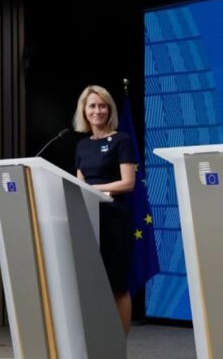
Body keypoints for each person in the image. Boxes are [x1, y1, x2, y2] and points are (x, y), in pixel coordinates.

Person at [73, 85, 136, 334]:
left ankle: (119, 346)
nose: (97, 110)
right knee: (92, 285)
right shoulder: (82, 146)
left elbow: (128, 182)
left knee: (117, 285)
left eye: (102, 105)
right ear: (84, 111)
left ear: (109, 110)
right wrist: (84, 190)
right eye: (92, 106)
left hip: (115, 219)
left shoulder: (122, 140)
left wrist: (95, 189)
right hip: (88, 218)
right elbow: (78, 181)